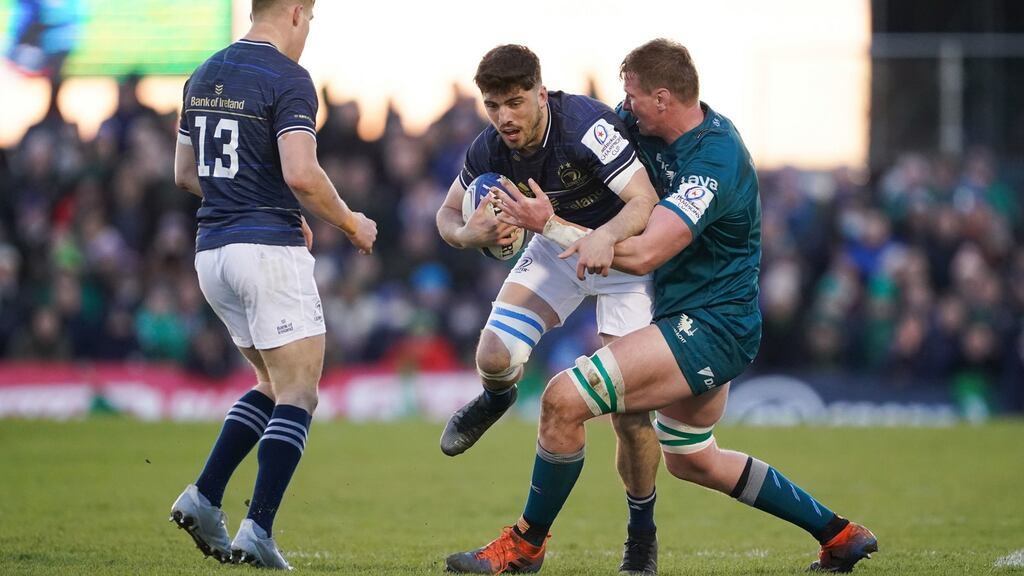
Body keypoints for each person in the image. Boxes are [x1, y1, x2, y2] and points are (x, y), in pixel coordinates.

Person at [446, 38, 878, 574]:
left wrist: (550, 226)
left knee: (563, 400)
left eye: (631, 96)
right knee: (693, 458)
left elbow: (646, 253)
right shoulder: (650, 137)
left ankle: (525, 547)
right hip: (692, 318)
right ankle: (840, 535)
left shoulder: (713, 160)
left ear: (663, 99)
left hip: (710, 326)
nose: (621, 106)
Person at [435, 44, 663, 575]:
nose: (504, 118)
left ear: (541, 92)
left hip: (624, 262)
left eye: (514, 103)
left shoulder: (585, 126)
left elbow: (644, 200)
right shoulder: (489, 148)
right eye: (492, 105)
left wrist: (603, 238)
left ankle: (641, 535)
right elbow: (447, 214)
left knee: (631, 416)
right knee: (492, 357)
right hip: (553, 246)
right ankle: (496, 399)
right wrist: (468, 235)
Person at [168, 0, 376, 569]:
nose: (307, 31)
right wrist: (353, 222)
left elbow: (186, 175)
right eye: (309, 19)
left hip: (212, 255)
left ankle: (205, 495)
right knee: (300, 390)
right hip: (265, 252)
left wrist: (253, 201)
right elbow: (301, 173)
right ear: (294, 13)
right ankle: (256, 527)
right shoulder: (288, 79)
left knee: (269, 381)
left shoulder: (203, 73)